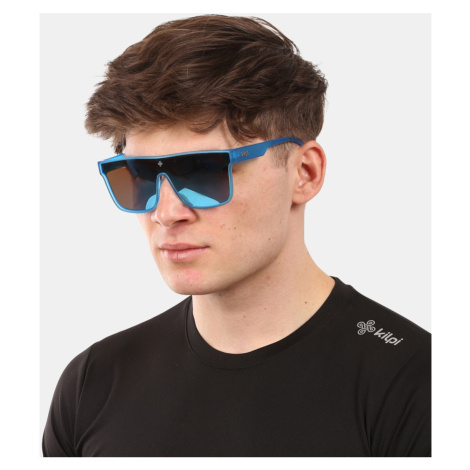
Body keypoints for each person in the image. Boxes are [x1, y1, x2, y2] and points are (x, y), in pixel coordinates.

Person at [42, 14, 431, 457]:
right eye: (141, 177)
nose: (166, 213)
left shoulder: (418, 384)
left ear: (304, 173)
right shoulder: (92, 384)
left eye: (203, 173)